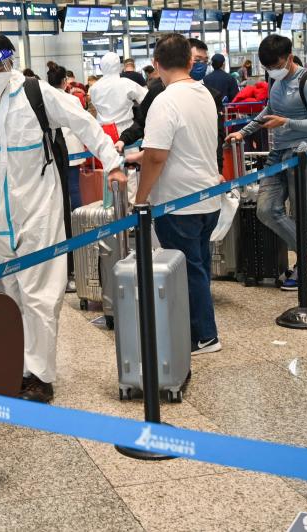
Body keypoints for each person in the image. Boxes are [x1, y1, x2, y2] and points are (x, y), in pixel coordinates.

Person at [0, 33, 127, 403]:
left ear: (10, 62)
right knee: (7, 295)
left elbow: (84, 122)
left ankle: (40, 377)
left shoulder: (35, 93)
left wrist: (112, 164)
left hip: (38, 212)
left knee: (39, 297)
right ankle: (15, 369)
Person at [227, 34, 307, 292]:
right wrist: (245, 132)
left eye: (276, 65)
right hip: (279, 155)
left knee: (304, 213)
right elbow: (268, 111)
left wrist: (287, 122)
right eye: (268, 67)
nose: (272, 71)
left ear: (288, 58)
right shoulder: (276, 83)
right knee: (266, 209)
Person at [135, 33, 221, 355]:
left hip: (178, 201)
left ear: (156, 66)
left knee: (189, 270)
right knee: (198, 268)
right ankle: (198, 329)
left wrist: (140, 197)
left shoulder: (165, 100)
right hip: (208, 197)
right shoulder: (205, 95)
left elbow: (156, 156)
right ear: (189, 61)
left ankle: (204, 336)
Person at [118, 38, 225, 172]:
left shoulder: (211, 95)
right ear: (186, 59)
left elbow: (218, 137)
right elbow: (141, 121)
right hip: (168, 172)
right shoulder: (158, 91)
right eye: (197, 60)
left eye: (205, 61)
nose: (201, 65)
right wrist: (123, 140)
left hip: (201, 171)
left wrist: (219, 169)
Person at [48, 61, 86, 210]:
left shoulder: (46, 99)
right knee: (74, 187)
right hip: (72, 146)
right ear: (65, 81)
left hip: (53, 148)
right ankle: (76, 222)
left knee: (57, 189)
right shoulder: (73, 99)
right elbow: (82, 124)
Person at [89, 52, 148, 135]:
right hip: (126, 130)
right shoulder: (126, 83)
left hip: (104, 131)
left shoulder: (94, 88)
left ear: (101, 67)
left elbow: (95, 106)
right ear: (118, 66)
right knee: (128, 147)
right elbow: (147, 98)